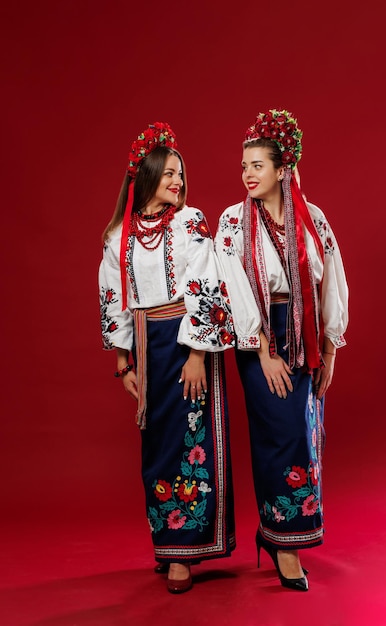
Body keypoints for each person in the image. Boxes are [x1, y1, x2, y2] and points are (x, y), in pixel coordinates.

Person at [99, 122, 235, 594]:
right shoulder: (118, 234)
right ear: (148, 175)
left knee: (190, 443)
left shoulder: (190, 220)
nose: (178, 181)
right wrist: (124, 364)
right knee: (156, 448)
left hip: (186, 341)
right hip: (147, 345)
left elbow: (206, 283)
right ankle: (167, 539)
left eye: (181, 174)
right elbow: (112, 295)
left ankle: (186, 553)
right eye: (170, 173)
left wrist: (197, 353)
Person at [215, 109, 348, 591]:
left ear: (282, 169)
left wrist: (330, 347)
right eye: (244, 166)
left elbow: (330, 279)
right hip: (263, 334)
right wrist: (263, 351)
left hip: (307, 332)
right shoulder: (233, 222)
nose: (247, 174)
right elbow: (232, 288)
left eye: (257, 165)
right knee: (281, 433)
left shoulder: (312, 219)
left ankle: (282, 535)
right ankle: (284, 542)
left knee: (307, 434)